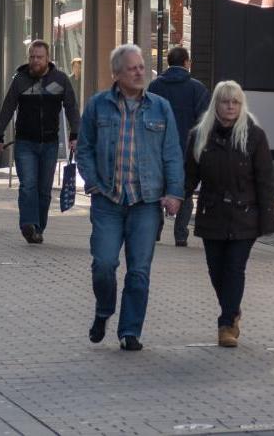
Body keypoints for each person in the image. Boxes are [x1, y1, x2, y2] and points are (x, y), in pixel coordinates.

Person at [75, 43, 185, 351]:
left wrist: (174, 192)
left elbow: (172, 154)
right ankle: (103, 311)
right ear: (117, 74)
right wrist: (93, 183)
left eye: (142, 67)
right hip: (108, 200)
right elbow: (84, 149)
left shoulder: (160, 107)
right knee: (104, 264)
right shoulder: (98, 106)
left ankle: (130, 331)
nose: (140, 72)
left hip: (146, 203)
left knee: (138, 270)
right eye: (133, 68)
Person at [188, 79, 274, 348]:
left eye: (235, 102)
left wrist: (268, 219)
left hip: (245, 214)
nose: (230, 106)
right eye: (225, 101)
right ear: (216, 104)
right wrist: (174, 198)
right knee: (216, 270)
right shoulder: (199, 136)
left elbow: (265, 180)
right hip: (212, 212)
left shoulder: (254, 135)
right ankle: (233, 310)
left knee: (234, 268)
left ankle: (226, 323)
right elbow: (189, 176)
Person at [0, 38, 79, 244]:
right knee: (28, 185)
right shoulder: (20, 80)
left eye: (39, 57)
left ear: (48, 58)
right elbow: (8, 107)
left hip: (50, 143)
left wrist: (75, 134)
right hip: (25, 142)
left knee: (44, 190)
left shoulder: (60, 80)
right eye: (32, 57)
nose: (35, 61)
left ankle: (38, 228)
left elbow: (71, 108)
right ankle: (28, 224)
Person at [150, 45, 207, 247]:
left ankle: (154, 231)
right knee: (185, 191)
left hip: (158, 148)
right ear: (186, 63)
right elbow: (204, 123)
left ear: (168, 63)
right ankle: (181, 235)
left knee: (157, 190)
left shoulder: (154, 87)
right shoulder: (197, 89)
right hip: (187, 150)